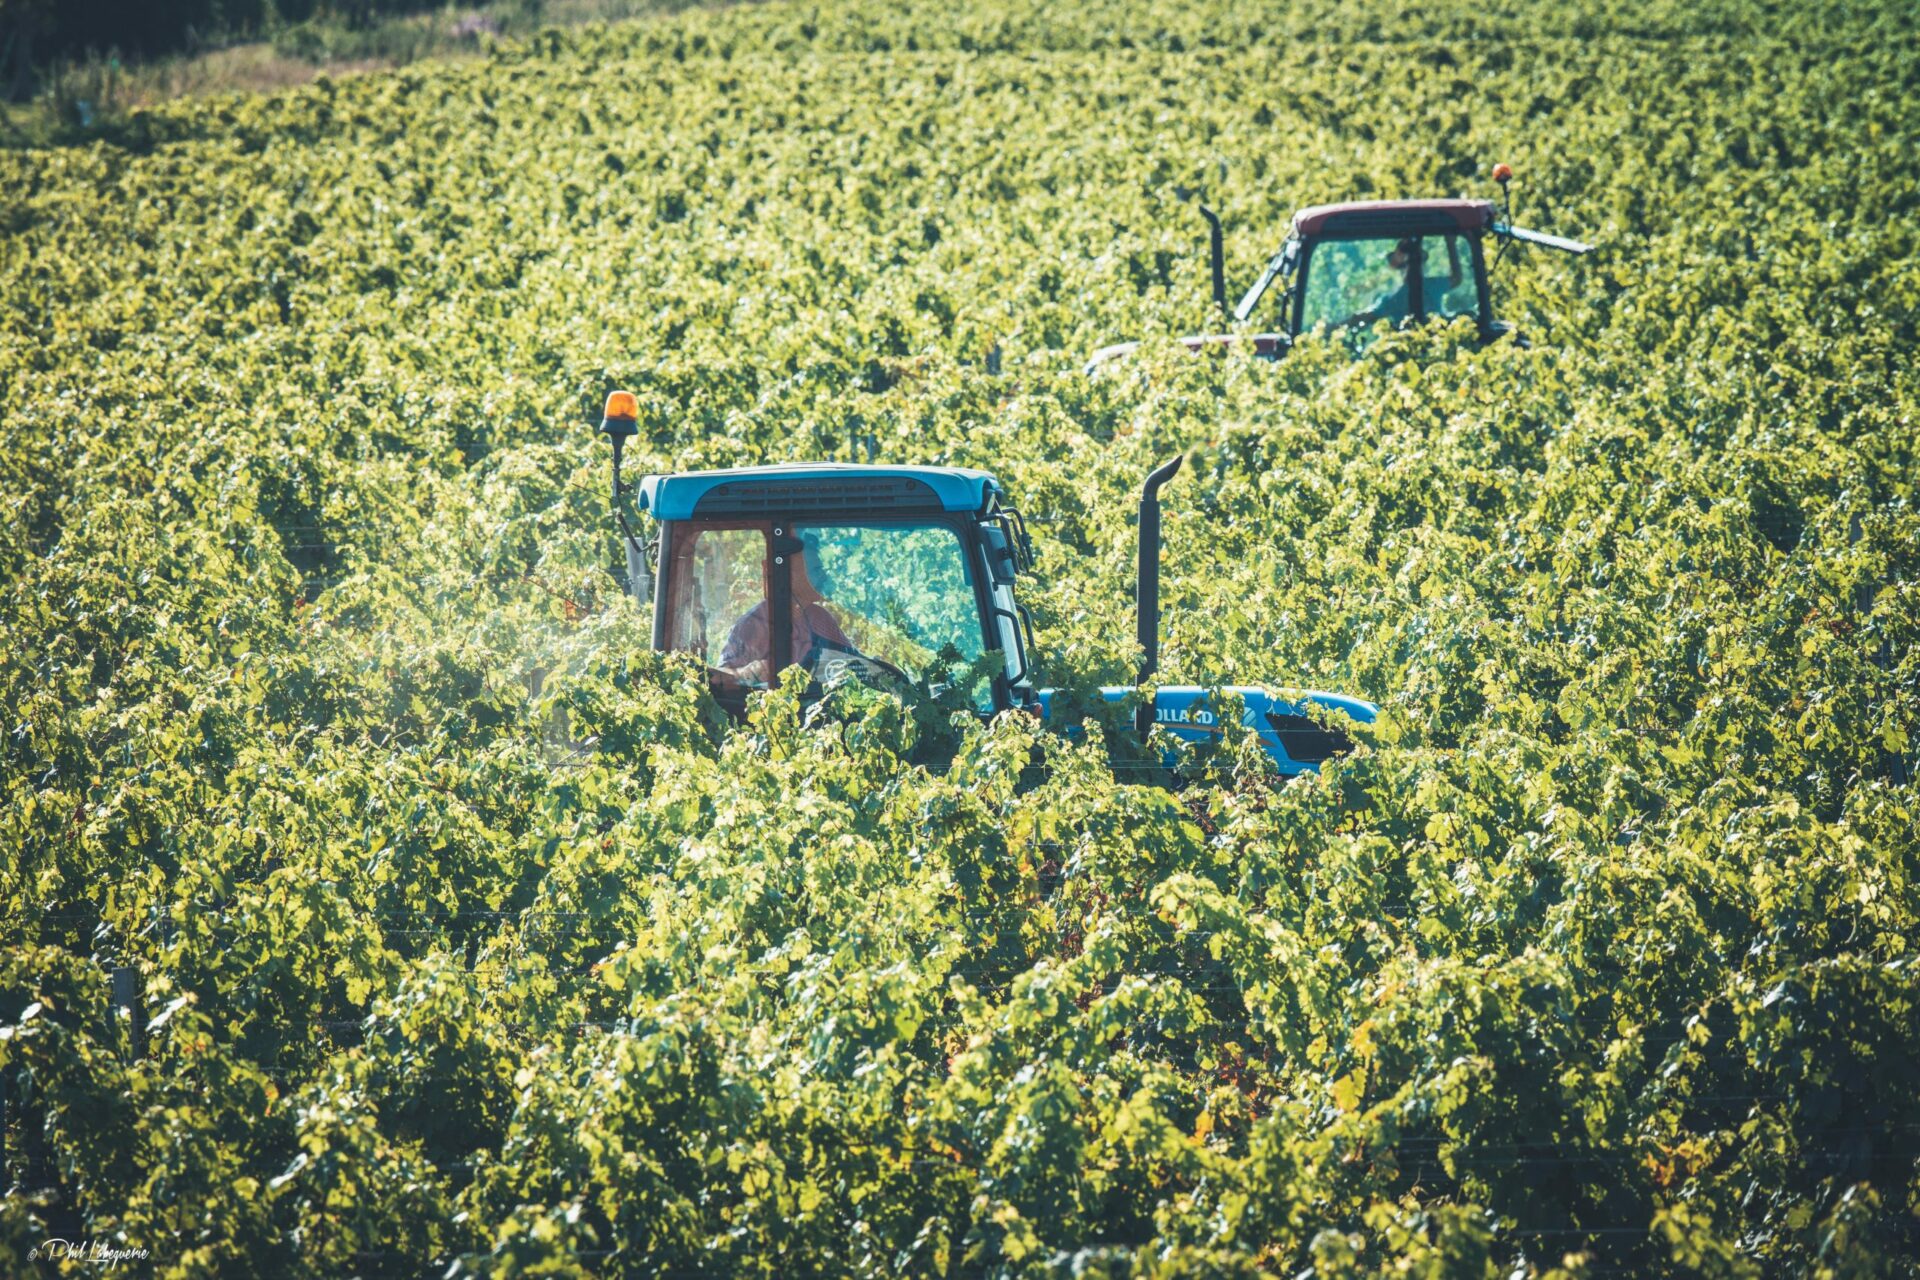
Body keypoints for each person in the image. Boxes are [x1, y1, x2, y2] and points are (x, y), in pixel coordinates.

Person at [718, 537, 854, 684]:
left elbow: (850, 661)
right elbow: (721, 675)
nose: (824, 577)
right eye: (816, 570)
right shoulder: (753, 624)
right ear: (792, 576)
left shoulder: (820, 617)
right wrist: (744, 673)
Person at [1340, 236, 1466, 328]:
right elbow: (1457, 278)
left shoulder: (1395, 298)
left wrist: (1337, 326)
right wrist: (1450, 244)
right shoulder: (1395, 298)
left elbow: (1365, 316)